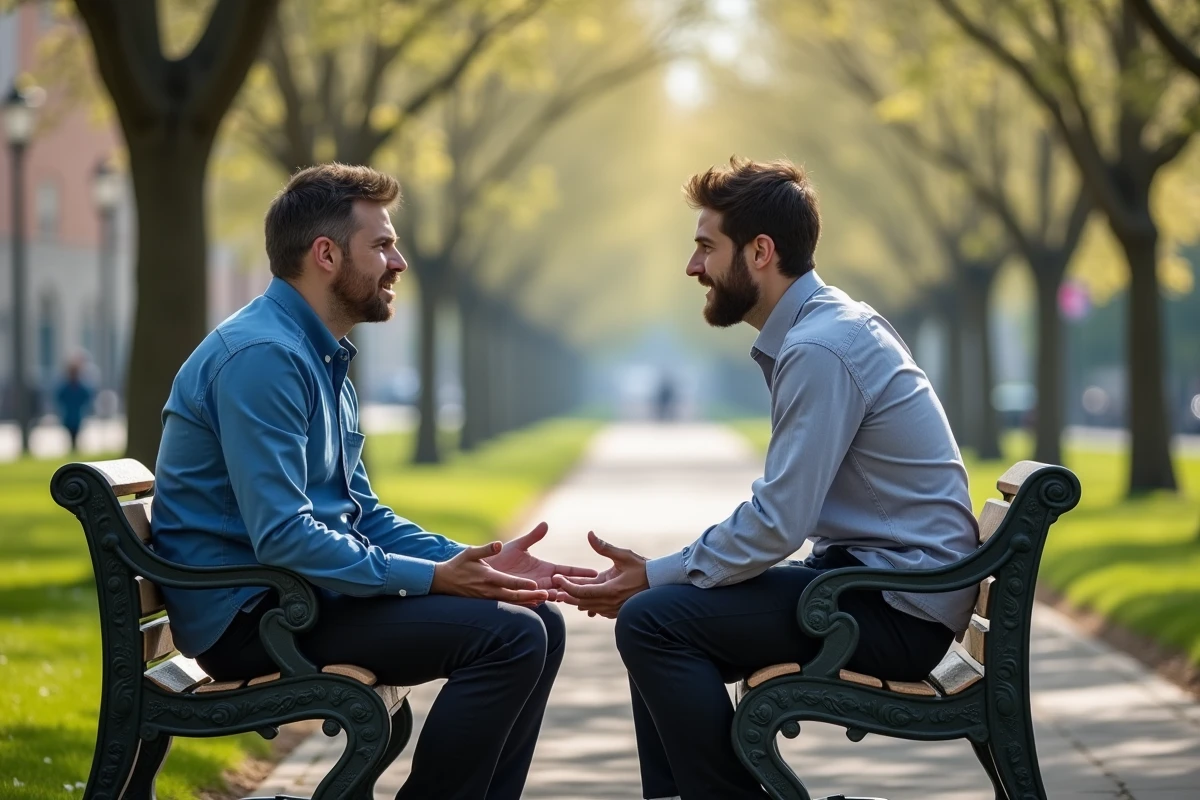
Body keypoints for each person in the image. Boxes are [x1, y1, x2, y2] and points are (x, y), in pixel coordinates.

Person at [150, 163, 595, 800]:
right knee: (511, 638)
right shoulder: (263, 359)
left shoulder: (320, 355)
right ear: (326, 255)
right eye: (382, 245)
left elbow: (363, 515)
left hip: (297, 598)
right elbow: (283, 536)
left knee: (535, 623)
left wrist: (484, 566)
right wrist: (438, 579)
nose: (400, 261)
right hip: (254, 617)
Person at [553, 157, 979, 800]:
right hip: (878, 590)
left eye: (705, 247)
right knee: (657, 615)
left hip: (894, 609)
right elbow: (782, 518)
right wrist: (664, 576)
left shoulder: (820, 347)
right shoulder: (825, 329)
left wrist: (656, 572)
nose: (693, 268)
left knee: (652, 620)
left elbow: (779, 522)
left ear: (760, 251)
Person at [55, 356, 94, 452]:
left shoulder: (79, 387)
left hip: (77, 416)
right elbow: (59, 397)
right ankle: (73, 449)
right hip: (69, 416)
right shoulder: (67, 387)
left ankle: (74, 449)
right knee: (71, 435)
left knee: (76, 435)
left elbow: (87, 397)